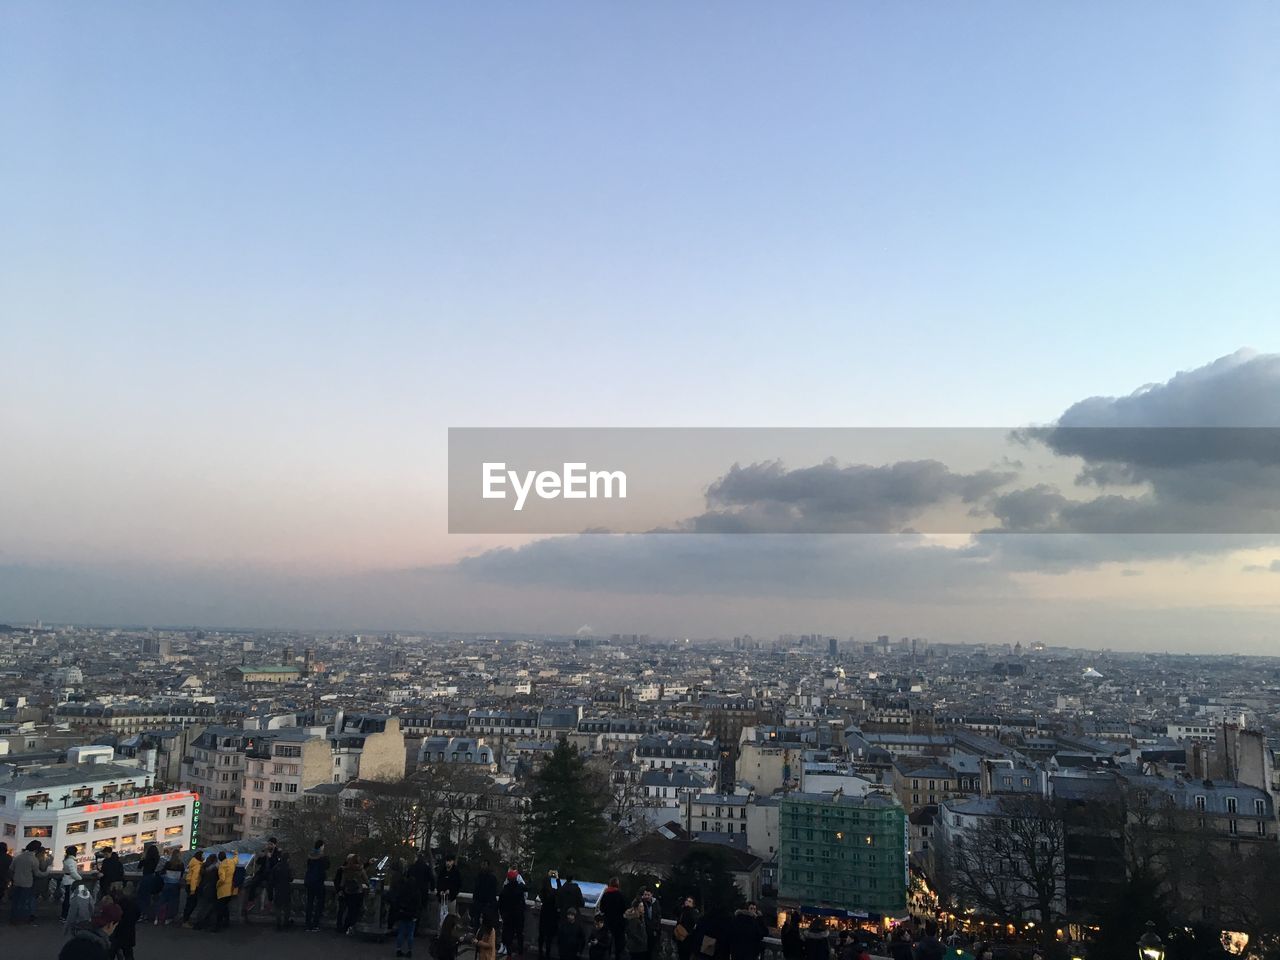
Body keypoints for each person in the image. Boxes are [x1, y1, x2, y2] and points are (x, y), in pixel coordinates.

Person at [9, 839, 49, 924]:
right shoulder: (34, 860)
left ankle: (13, 918)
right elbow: (37, 873)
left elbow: (11, 869)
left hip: (16, 882)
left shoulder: (18, 857)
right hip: (27, 883)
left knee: (15, 901)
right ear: (36, 849)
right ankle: (22, 919)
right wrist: (46, 873)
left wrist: (13, 878)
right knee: (24, 902)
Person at [390, 861, 424, 958]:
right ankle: (409, 950)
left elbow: (398, 900)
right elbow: (418, 905)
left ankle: (398, 949)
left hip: (403, 913)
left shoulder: (403, 890)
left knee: (401, 932)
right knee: (410, 934)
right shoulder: (417, 892)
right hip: (412, 914)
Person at [499, 868, 527, 956]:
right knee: (519, 934)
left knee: (509, 935)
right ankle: (520, 952)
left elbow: (501, 904)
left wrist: (503, 914)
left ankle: (509, 953)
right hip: (518, 915)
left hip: (508, 916)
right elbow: (527, 888)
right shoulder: (520, 887)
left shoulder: (505, 890)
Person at [597, 878, 627, 960]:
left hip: (607, 922)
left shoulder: (606, 895)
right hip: (618, 923)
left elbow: (602, 908)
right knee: (618, 945)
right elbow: (624, 908)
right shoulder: (621, 895)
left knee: (607, 943)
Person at [304, 838, 330, 931]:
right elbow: (327, 866)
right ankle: (315, 924)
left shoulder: (310, 856)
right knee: (319, 903)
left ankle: (307, 924)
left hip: (310, 882)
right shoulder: (323, 857)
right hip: (319, 882)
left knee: (310, 903)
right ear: (321, 846)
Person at [339, 852, 367, 935]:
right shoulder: (360, 870)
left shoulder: (346, 870)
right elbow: (366, 880)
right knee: (357, 911)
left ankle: (346, 927)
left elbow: (342, 883)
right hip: (358, 892)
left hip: (348, 892)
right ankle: (353, 927)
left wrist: (341, 890)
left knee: (350, 911)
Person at [111, 887, 140, 960]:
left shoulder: (116, 905)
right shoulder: (133, 904)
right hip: (129, 932)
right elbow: (138, 914)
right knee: (128, 953)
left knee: (112, 952)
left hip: (117, 932)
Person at [536, 870, 559, 960]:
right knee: (549, 937)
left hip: (544, 914)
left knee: (541, 935)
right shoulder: (554, 893)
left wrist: (548, 876)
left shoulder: (544, 894)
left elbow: (542, 888)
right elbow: (560, 889)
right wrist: (557, 877)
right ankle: (547, 954)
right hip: (552, 916)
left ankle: (540, 953)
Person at [157, 850, 184, 925]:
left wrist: (165, 879)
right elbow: (181, 875)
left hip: (167, 884)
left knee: (162, 901)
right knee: (173, 903)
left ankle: (158, 917)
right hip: (175, 885)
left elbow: (162, 873)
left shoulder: (168, 863)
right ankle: (169, 918)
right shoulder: (181, 864)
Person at [472, 861, 498, 934]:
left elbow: (493, 892)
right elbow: (475, 889)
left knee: (486, 922)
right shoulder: (478, 876)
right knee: (476, 921)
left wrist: (490, 903)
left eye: (485, 865)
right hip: (478, 902)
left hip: (487, 903)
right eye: (482, 865)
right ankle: (475, 935)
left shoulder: (492, 878)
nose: (483, 867)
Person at [272, 850, 294, 930]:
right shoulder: (288, 867)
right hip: (286, 888)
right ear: (288, 859)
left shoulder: (276, 867)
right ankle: (286, 922)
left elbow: (273, 878)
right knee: (286, 907)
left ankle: (278, 923)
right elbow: (291, 879)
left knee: (278, 907)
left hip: (278, 888)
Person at [215, 850, 237, 930]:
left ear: (219, 858)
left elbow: (222, 879)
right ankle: (226, 922)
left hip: (223, 890)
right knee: (225, 907)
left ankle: (218, 926)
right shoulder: (231, 861)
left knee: (220, 909)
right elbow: (236, 859)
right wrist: (235, 852)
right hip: (230, 889)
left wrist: (217, 885)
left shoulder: (222, 866)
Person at [137, 843, 160, 920]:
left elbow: (139, 867)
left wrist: (142, 858)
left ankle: (141, 914)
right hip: (152, 878)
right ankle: (147, 915)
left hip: (146, 877)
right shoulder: (156, 859)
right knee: (148, 897)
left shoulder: (146, 859)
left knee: (141, 896)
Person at [61, 845, 84, 920]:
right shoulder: (71, 861)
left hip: (67, 880)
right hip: (70, 882)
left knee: (67, 898)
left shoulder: (67, 860)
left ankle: (64, 915)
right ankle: (66, 915)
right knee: (69, 899)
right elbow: (73, 872)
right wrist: (80, 878)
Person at [181, 851, 205, 924]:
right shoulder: (197, 865)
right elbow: (195, 878)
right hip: (193, 886)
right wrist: (193, 889)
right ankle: (185, 920)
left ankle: (185, 919)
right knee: (192, 904)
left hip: (189, 884)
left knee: (189, 903)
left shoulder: (193, 862)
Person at [639, 889, 663, 960]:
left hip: (653, 930)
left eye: (648, 895)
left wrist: (656, 928)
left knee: (651, 950)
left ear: (651, 895)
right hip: (644, 929)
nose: (646, 896)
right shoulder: (641, 903)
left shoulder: (656, 903)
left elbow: (658, 916)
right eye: (645, 894)